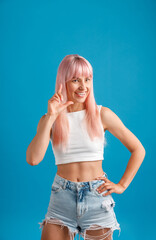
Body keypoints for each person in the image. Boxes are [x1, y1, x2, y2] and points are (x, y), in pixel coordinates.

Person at [26, 54, 146, 240]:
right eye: (75, 80)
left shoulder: (102, 114)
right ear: (63, 82)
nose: (83, 86)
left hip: (96, 197)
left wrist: (122, 185)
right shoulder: (49, 120)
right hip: (61, 197)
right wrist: (50, 117)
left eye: (87, 79)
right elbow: (33, 159)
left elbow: (138, 149)